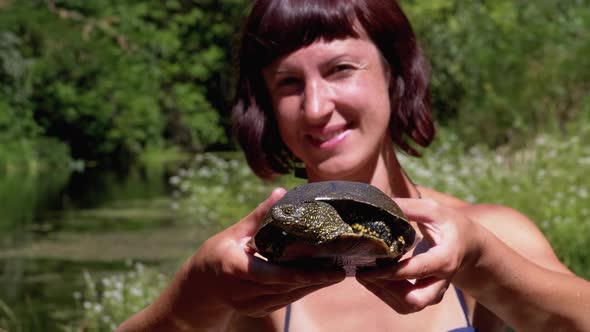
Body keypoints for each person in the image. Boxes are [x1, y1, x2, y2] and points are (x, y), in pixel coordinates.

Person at [118, 0, 590, 331]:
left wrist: (481, 263)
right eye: (288, 82)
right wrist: (197, 292)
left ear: (394, 73)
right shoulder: (253, 274)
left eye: (340, 68)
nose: (316, 107)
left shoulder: (482, 235)